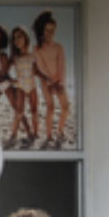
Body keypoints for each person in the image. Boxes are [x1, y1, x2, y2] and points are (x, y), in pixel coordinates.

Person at [32, 10, 70, 150]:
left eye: (52, 30)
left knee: (65, 107)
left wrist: (59, 83)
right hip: (45, 81)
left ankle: (59, 130)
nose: (50, 33)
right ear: (42, 30)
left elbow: (62, 65)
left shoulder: (58, 46)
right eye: (47, 30)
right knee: (50, 107)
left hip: (59, 80)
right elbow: (40, 66)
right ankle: (48, 135)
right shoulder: (36, 48)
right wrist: (48, 81)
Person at [8, 26, 40, 149]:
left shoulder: (32, 55)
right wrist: (10, 80)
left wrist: (46, 78)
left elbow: (36, 71)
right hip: (20, 86)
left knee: (34, 111)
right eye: (15, 38)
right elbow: (5, 69)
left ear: (26, 38)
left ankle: (36, 133)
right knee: (19, 111)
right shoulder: (15, 57)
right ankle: (13, 134)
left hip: (32, 85)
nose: (17, 40)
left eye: (20, 36)